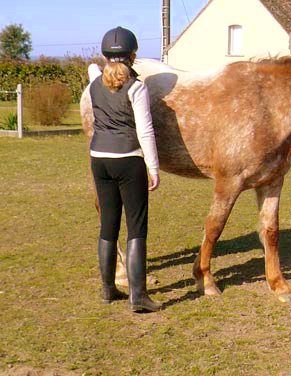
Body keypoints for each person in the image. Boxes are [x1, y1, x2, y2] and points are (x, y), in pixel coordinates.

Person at [88, 26, 161, 313]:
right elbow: (145, 131)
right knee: (136, 228)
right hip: (128, 159)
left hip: (99, 158)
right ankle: (138, 296)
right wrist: (153, 167)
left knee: (108, 225)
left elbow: (93, 69)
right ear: (133, 56)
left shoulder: (94, 83)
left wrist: (102, 63)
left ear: (106, 55)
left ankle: (108, 290)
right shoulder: (137, 87)